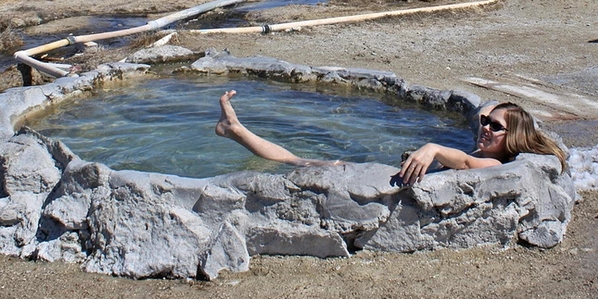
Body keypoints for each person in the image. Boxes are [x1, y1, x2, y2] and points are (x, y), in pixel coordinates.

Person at [213, 91, 567, 185]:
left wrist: (434, 148)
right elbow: (488, 108)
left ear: (514, 139)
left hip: (375, 180)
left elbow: (465, 162)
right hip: (382, 172)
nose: (485, 126)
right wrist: (495, 115)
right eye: (485, 121)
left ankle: (235, 131)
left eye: (495, 126)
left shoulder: (492, 161)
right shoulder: (490, 142)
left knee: (295, 161)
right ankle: (235, 130)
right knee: (295, 160)